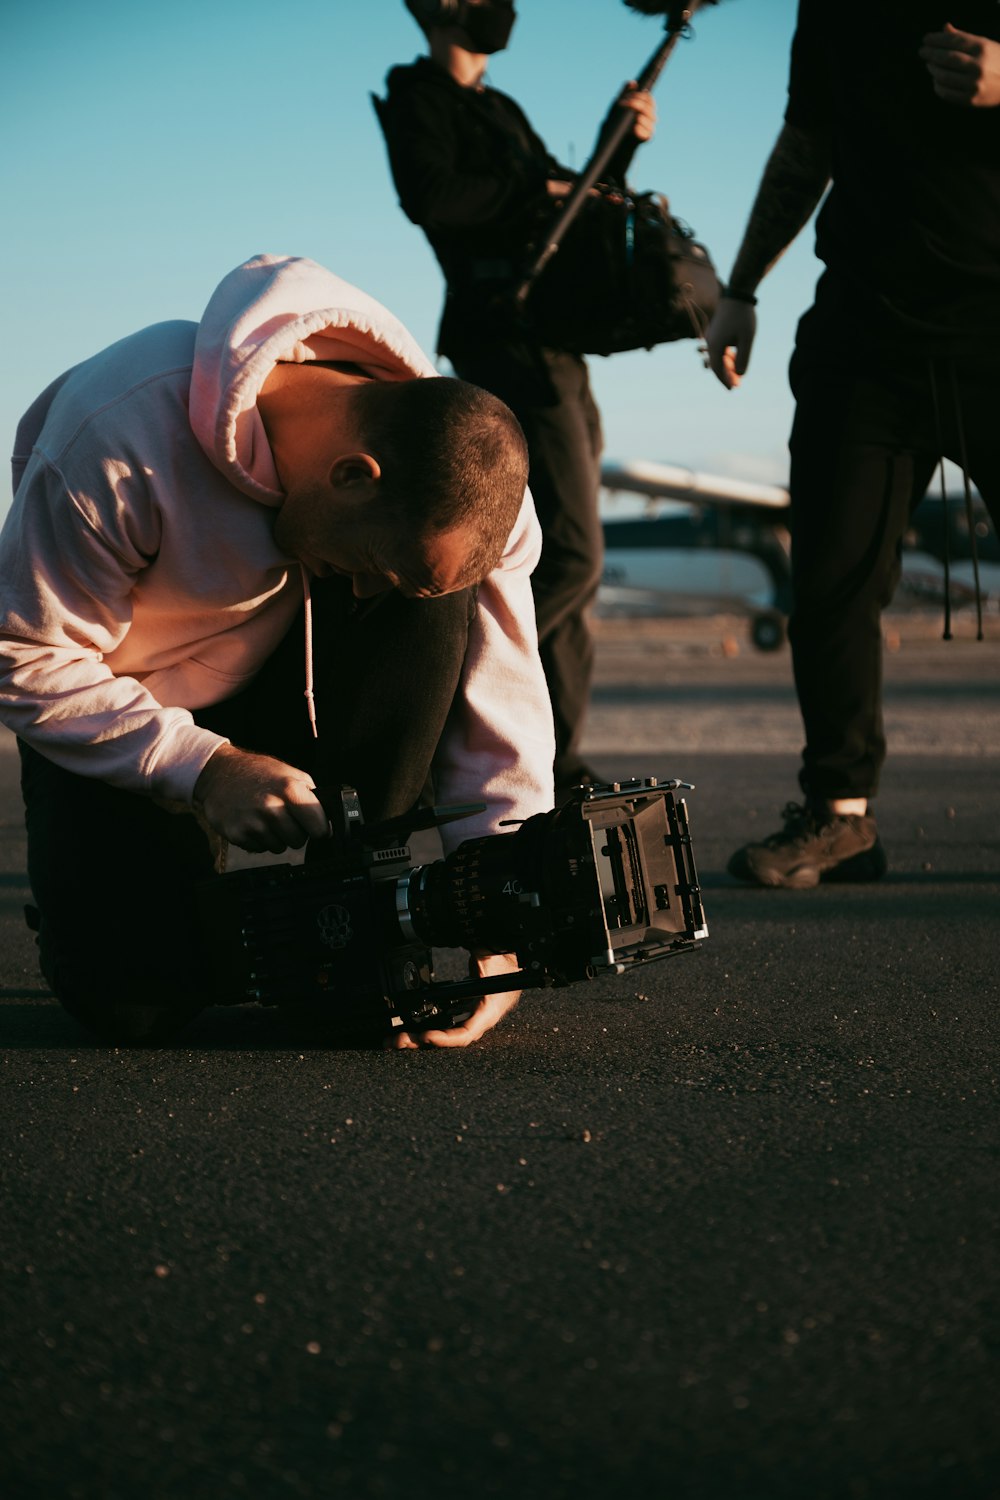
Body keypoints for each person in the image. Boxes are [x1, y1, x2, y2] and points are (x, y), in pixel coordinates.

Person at [0, 252, 556, 1045]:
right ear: (353, 476)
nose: (365, 595)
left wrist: (498, 917)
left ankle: (363, 896)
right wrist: (202, 766)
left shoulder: (467, 478)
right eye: (372, 568)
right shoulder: (120, 434)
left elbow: (502, 699)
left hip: (297, 687)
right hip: (131, 707)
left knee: (431, 604)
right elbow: (22, 652)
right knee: (134, 1006)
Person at [705, 2, 1000, 889]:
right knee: (831, 581)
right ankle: (840, 819)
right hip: (864, 338)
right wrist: (741, 288)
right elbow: (807, 142)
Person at [374, 0, 655, 801]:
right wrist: (542, 182)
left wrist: (615, 147)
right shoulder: (417, 97)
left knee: (563, 561)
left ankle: (554, 759)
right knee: (566, 557)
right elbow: (437, 197)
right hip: (504, 347)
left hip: (553, 343)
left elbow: (555, 216)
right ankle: (452, 731)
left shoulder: (502, 111)